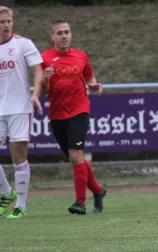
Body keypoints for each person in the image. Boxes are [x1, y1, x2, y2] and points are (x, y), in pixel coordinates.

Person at [41, 20, 106, 215]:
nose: (64, 36)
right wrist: (45, 78)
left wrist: (94, 85)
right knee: (74, 158)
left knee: (77, 155)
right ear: (52, 36)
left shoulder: (81, 56)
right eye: (59, 32)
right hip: (57, 113)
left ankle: (80, 202)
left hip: (79, 109)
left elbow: (89, 78)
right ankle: (98, 191)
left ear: (71, 35)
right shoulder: (44, 58)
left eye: (67, 32)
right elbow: (43, 91)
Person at [0, 6, 44, 219]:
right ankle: (7, 193)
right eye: (2, 22)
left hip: (19, 108)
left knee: (18, 156)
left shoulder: (22, 44)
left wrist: (35, 94)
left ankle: (21, 206)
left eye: (9, 21)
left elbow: (38, 68)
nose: (6, 25)